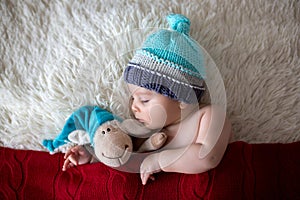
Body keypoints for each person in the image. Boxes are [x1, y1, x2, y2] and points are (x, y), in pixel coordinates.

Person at [63, 13, 232, 185]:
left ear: (183, 97)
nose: (134, 107)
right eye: (133, 99)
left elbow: (207, 156)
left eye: (144, 100)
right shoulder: (146, 131)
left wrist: (159, 161)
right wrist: (91, 155)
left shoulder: (208, 116)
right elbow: (123, 155)